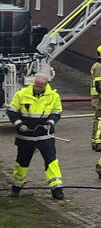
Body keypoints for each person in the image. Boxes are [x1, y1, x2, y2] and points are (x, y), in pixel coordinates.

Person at [7, 72, 64, 200]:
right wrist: (19, 124)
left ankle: (57, 190)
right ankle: (16, 187)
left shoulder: (53, 96)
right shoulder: (21, 94)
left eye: (41, 85)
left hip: (45, 136)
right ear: (33, 83)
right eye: (36, 84)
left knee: (51, 162)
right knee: (22, 163)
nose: (38, 86)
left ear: (46, 84)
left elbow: (57, 112)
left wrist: (50, 123)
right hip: (25, 136)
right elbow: (12, 111)